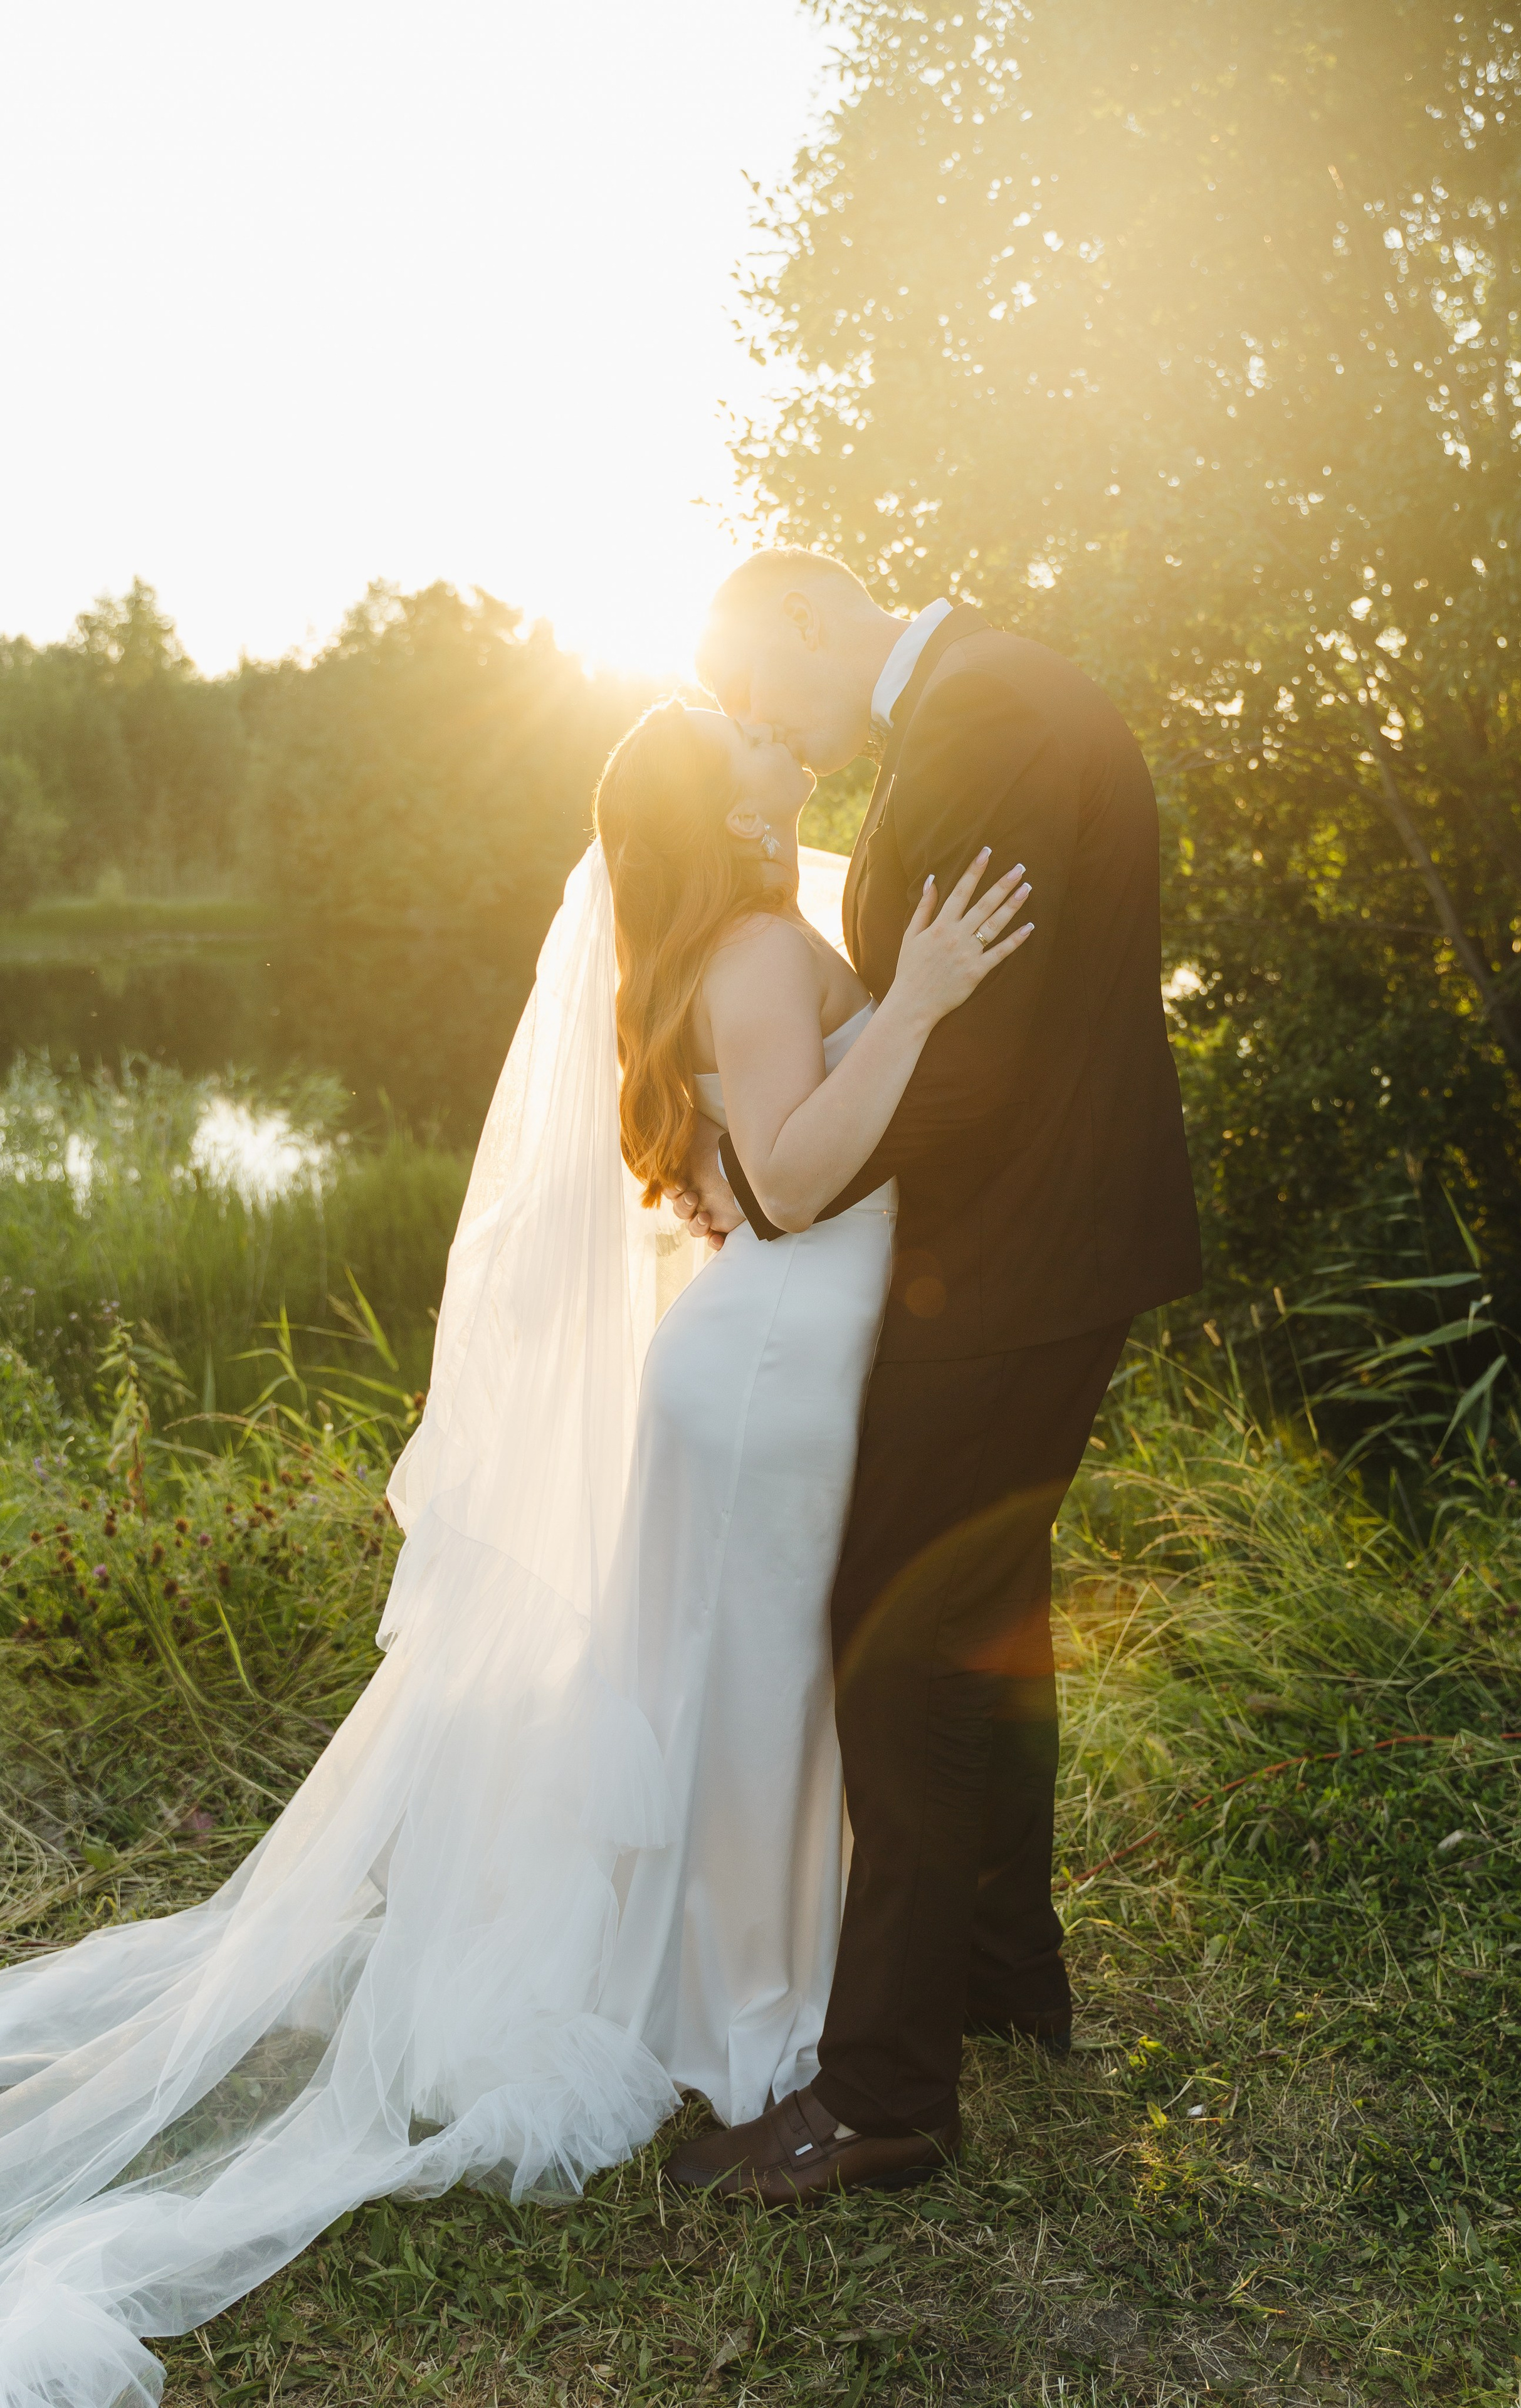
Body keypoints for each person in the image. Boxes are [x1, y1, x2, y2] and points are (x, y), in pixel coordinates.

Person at [0, 695, 1027, 2404]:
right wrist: (915, 1001)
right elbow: (783, 1177)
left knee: (736, 1686)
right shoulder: (762, 952)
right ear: (724, 796)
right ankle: (750, 2017)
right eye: (754, 739)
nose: (783, 748)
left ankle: (731, 1991)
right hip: (773, 1358)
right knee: (762, 1691)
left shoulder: (714, 940)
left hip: (753, 1362)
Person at [663, 551, 1200, 2203]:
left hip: (1015, 1259)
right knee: (985, 1612)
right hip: (1043, 1245)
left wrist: (787, 1185)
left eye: (766, 692)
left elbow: (977, 1046)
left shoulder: (989, 723)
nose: (776, 737)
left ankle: (887, 2090)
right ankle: (999, 1976)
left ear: (816, 620)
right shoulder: (991, 700)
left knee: (895, 1638)